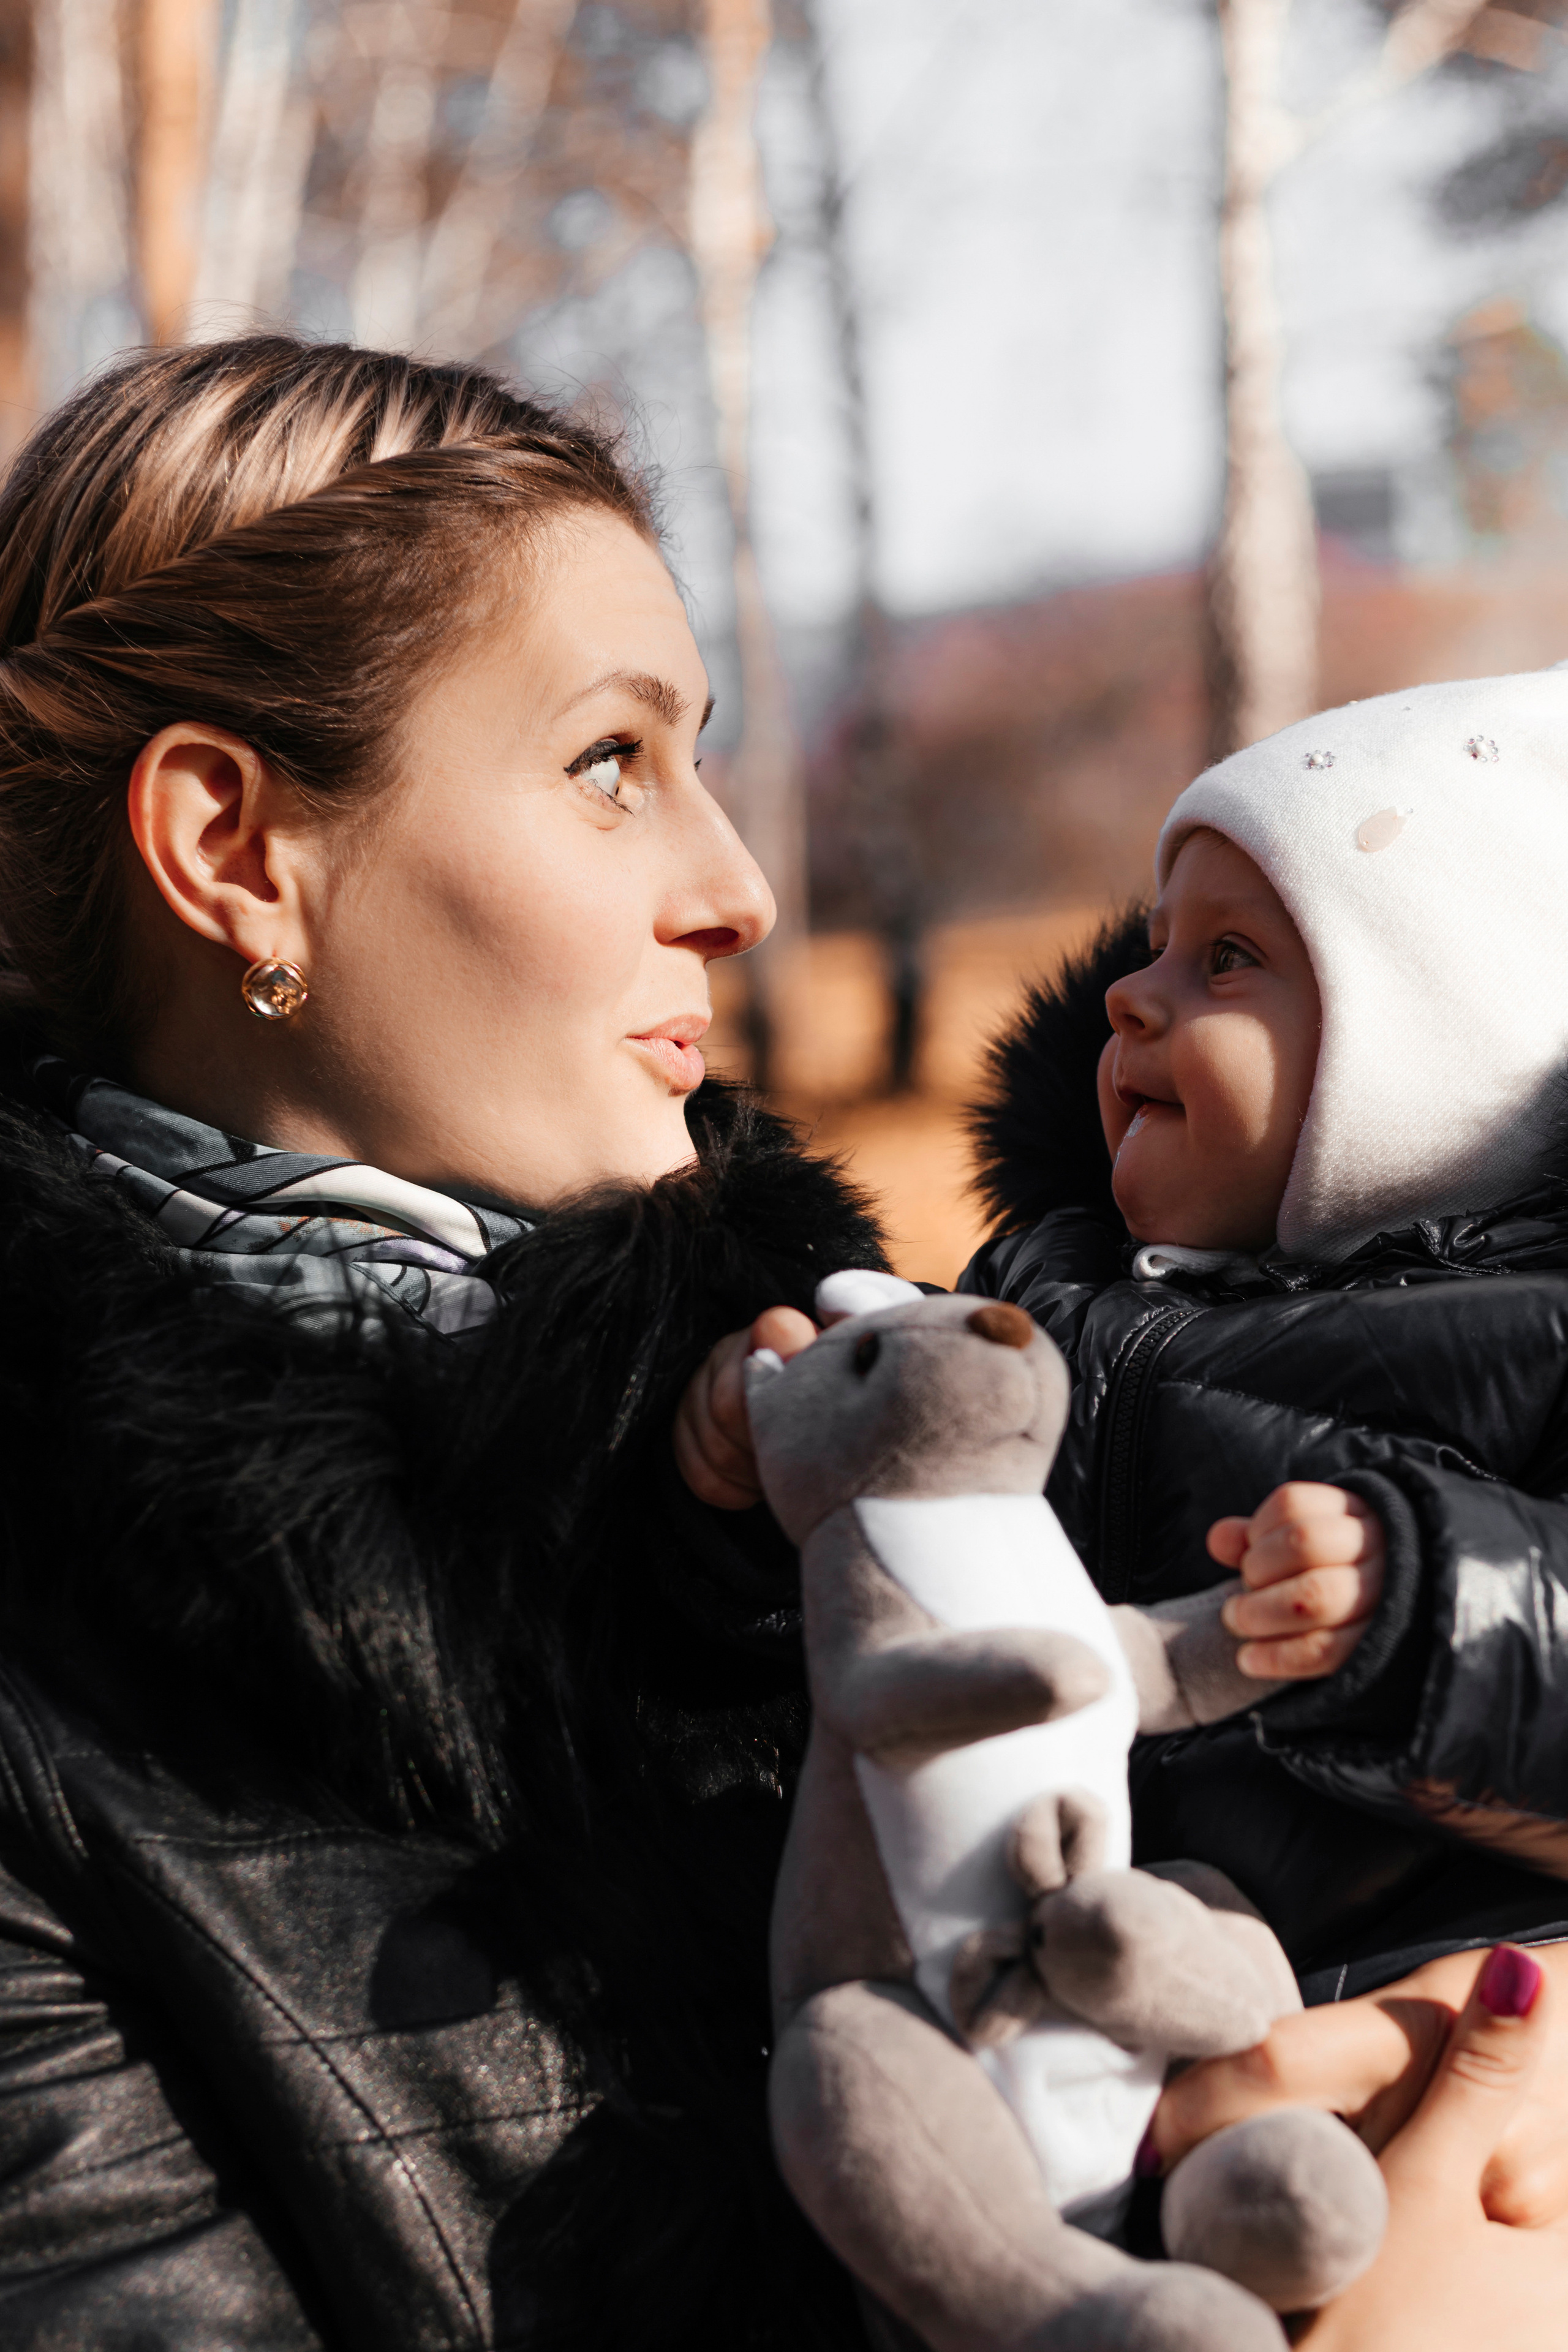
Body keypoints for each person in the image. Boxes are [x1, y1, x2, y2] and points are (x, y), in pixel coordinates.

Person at [0, 333, 892, 2348]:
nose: (735, 886)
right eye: (610, 764)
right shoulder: (48, 1682)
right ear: (236, 848)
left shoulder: (861, 1433)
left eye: (703, 756)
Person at [682, 668, 1568, 2342]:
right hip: (1069, 1979)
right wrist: (797, 1448)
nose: (1134, 1002)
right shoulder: (1052, 1281)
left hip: (1382, 2020)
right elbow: (927, 1547)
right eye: (1153, 945)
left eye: (1230, 959)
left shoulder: (1530, 1337)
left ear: (1440, 1049)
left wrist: (1430, 1598)